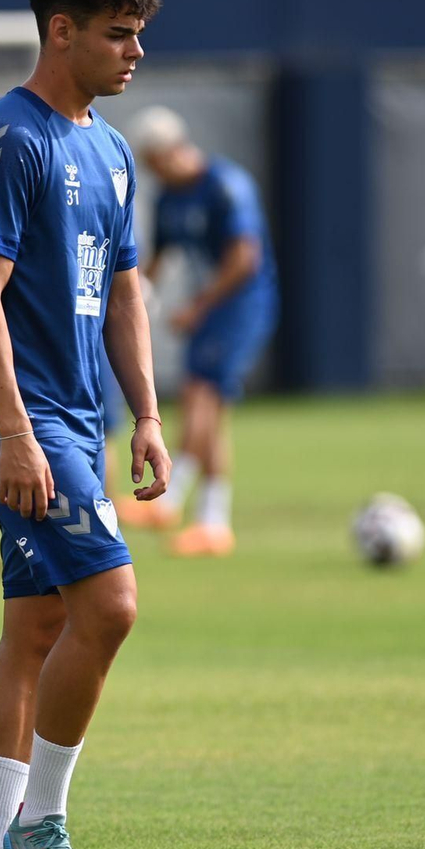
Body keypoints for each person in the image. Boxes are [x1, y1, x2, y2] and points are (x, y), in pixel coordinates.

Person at [0, 0, 170, 849]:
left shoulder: (111, 150)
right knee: (111, 606)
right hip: (19, 414)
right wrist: (14, 434)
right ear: (61, 31)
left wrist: (147, 415)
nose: (136, 52)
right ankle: (41, 826)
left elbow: (123, 292)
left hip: (78, 415)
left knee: (37, 628)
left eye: (139, 35)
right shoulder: (9, 139)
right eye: (119, 35)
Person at [115, 106, 278, 557]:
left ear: (169, 150)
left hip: (240, 304)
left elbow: (245, 259)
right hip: (207, 308)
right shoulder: (168, 198)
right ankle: (213, 523)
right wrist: (136, 300)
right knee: (211, 410)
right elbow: (156, 259)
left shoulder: (226, 185)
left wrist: (197, 306)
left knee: (198, 395)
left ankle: (170, 501)